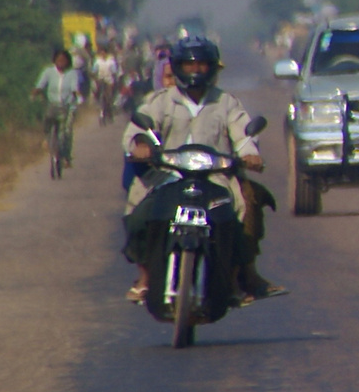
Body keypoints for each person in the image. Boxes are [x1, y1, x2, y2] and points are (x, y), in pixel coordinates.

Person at [121, 36, 284, 304]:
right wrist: (141, 145)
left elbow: (243, 133)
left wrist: (250, 154)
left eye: (202, 66)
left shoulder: (226, 102)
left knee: (242, 210)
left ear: (213, 69)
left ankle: (234, 280)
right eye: (189, 66)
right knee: (138, 213)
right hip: (168, 175)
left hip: (215, 177)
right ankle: (145, 277)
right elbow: (140, 129)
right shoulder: (161, 101)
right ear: (177, 67)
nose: (195, 71)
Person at [32, 49, 84, 163]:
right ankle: (47, 139)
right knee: (47, 120)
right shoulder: (48, 72)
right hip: (52, 104)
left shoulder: (72, 74)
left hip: (67, 106)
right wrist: (34, 94)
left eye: (63, 60)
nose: (61, 62)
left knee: (66, 131)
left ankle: (66, 156)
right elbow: (40, 85)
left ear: (67, 62)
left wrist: (79, 97)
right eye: (58, 60)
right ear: (54, 61)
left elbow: (74, 88)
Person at [91, 46, 122, 125]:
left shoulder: (110, 62)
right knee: (99, 96)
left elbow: (114, 71)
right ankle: (101, 112)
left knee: (108, 97)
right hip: (100, 81)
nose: (103, 54)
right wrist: (95, 78)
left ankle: (110, 112)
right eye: (101, 53)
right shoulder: (97, 61)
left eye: (104, 53)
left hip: (109, 81)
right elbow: (94, 71)